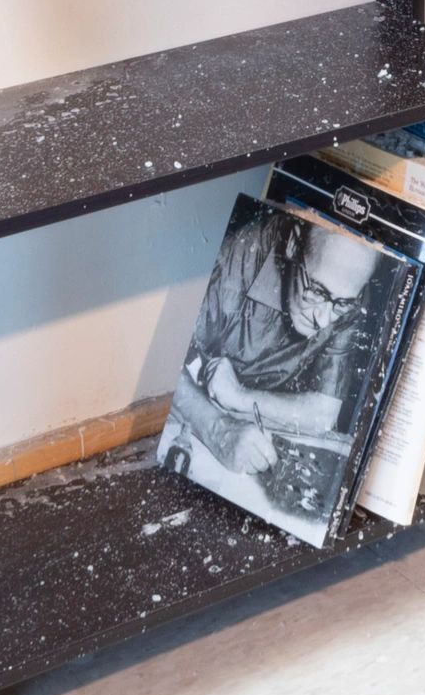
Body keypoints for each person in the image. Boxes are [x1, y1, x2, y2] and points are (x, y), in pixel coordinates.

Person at [160, 203, 380, 491]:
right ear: (292, 245)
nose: (323, 319)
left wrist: (237, 396)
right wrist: (218, 429)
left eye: (341, 304)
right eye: (315, 291)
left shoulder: (348, 288)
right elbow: (161, 363)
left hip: (250, 430)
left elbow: (323, 414)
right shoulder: (234, 259)